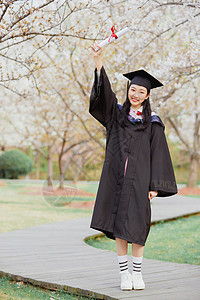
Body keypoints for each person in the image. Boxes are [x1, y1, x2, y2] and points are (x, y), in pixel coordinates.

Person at [89, 44, 177, 291]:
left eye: (141, 91)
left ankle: (138, 274)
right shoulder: (117, 115)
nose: (135, 94)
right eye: (133, 89)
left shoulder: (154, 122)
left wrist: (155, 187)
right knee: (119, 226)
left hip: (139, 182)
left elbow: (158, 154)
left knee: (138, 226)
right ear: (128, 90)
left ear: (148, 95)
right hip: (116, 179)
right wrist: (98, 60)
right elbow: (103, 94)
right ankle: (124, 274)